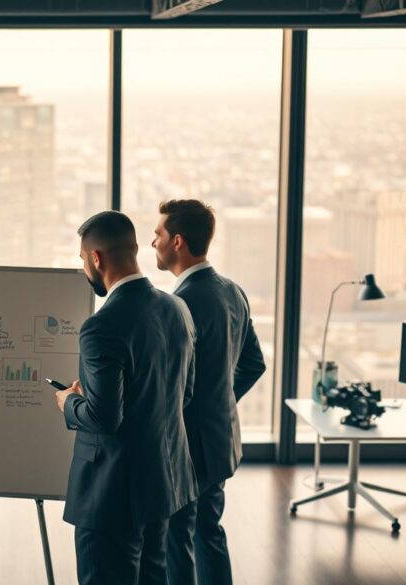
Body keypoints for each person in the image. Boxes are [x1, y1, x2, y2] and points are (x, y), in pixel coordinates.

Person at [55, 210, 198, 585]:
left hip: (111, 495)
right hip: (163, 485)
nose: (85, 268)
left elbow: (105, 419)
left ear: (96, 258)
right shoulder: (177, 308)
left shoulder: (101, 326)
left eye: (83, 259)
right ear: (134, 249)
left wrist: (68, 401)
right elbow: (184, 393)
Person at [153, 199, 266, 585]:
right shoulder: (233, 292)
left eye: (159, 235)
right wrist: (219, 401)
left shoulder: (177, 304)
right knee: (209, 532)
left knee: (176, 541)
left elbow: (169, 385)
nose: (153, 243)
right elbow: (254, 363)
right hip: (218, 438)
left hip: (185, 445)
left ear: (178, 242)